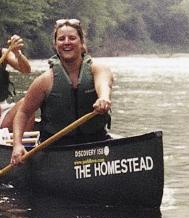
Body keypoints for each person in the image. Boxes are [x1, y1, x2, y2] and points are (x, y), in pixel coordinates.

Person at [9, 18, 113, 166]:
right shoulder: (44, 81)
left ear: (82, 43)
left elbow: (103, 83)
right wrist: (17, 145)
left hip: (95, 145)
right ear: (55, 45)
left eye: (72, 38)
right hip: (56, 150)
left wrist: (103, 98)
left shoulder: (98, 69)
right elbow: (23, 113)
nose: (66, 42)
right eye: (61, 39)